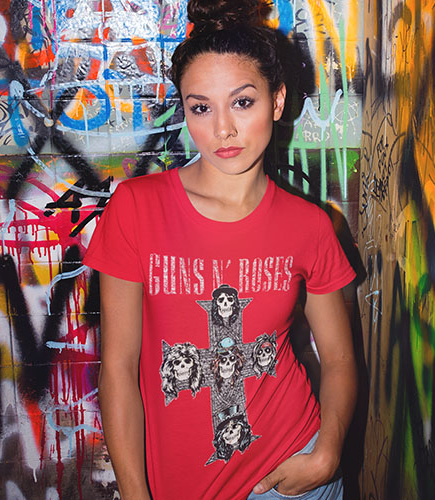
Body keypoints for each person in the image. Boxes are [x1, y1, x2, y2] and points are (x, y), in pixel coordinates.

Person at [83, 1, 358, 498]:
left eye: (243, 102)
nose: (223, 129)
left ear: (277, 101)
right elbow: (118, 368)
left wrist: (328, 452)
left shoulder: (310, 225)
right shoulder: (137, 208)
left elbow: (337, 358)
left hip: (291, 476)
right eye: (201, 107)